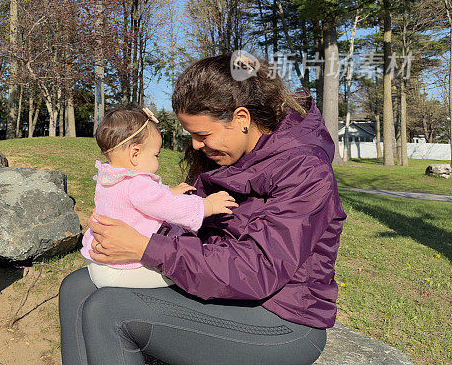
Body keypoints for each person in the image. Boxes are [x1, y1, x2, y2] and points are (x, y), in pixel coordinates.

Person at [59, 53, 346, 365]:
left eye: (202, 134)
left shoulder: (305, 170)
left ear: (241, 119)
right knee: (77, 287)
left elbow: (257, 269)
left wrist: (146, 248)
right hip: (223, 293)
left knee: (110, 310)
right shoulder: (224, 154)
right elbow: (194, 227)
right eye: (191, 134)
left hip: (282, 317)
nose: (195, 145)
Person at [83, 106, 238, 289]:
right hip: (121, 269)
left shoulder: (109, 175)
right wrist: (208, 205)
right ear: (135, 154)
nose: (158, 161)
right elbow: (170, 207)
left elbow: (137, 200)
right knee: (183, 274)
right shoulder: (137, 184)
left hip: (97, 262)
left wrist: (168, 191)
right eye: (156, 155)